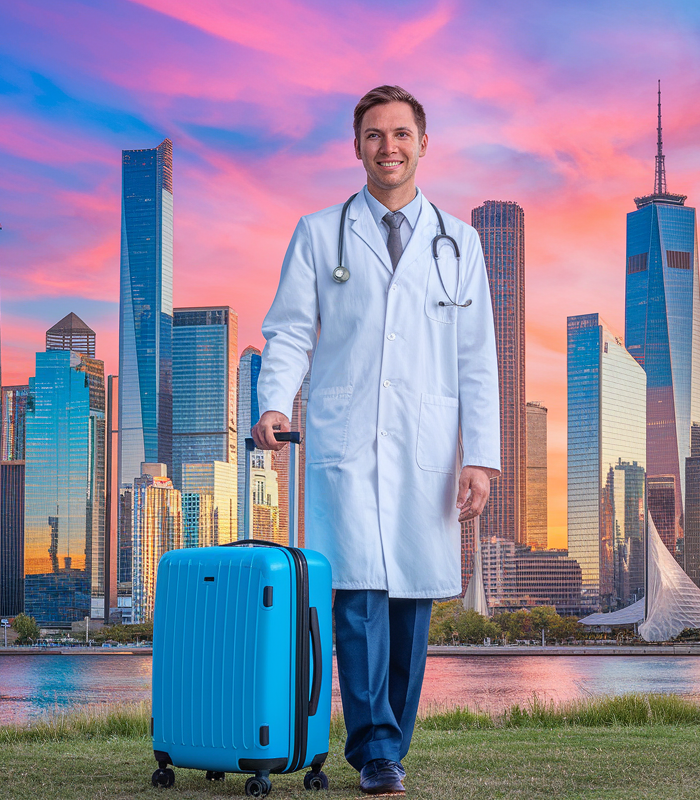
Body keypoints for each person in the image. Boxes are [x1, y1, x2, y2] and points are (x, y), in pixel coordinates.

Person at [252, 85, 501, 795]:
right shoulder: (319, 232)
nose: (388, 147)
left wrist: (479, 457)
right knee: (357, 602)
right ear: (356, 146)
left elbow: (477, 356)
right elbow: (292, 331)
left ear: (424, 144)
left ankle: (391, 742)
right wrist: (274, 402)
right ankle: (375, 751)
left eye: (400, 134)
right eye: (373, 135)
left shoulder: (461, 242)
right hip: (346, 441)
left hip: (426, 449)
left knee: (409, 608)